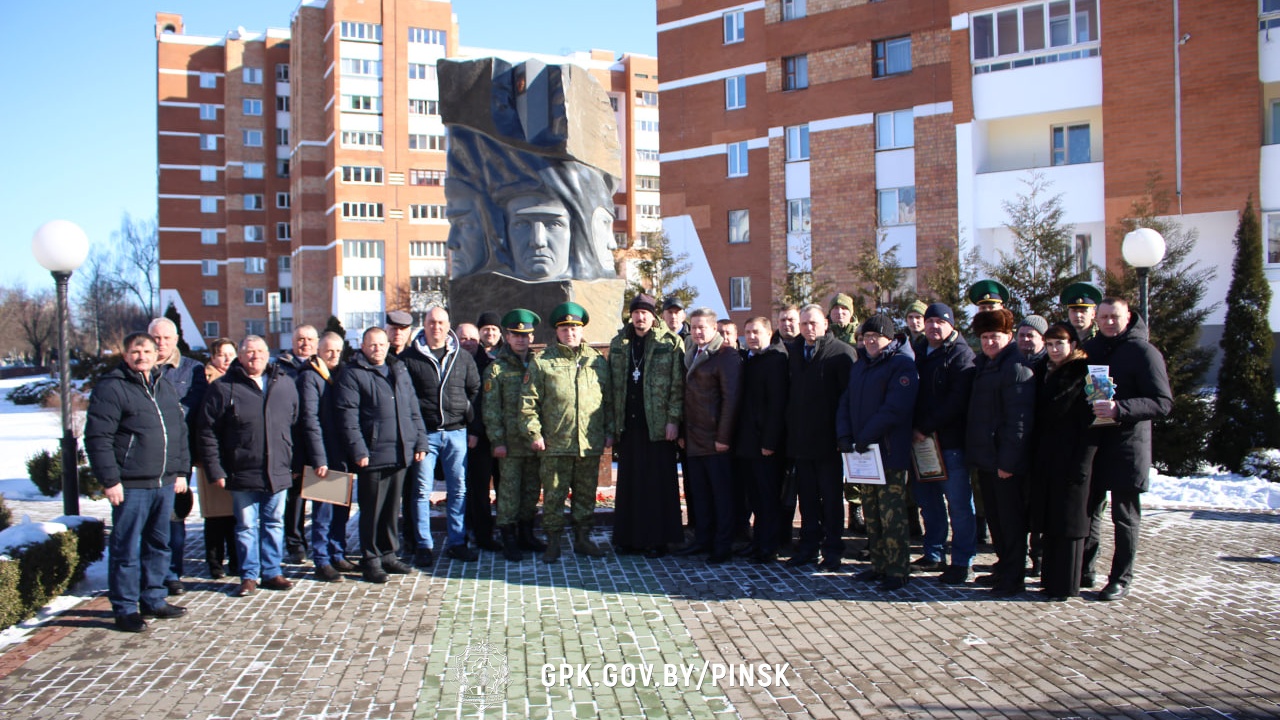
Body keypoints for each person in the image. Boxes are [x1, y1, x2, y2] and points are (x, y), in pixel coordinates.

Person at [85, 332, 191, 632]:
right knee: (126, 547)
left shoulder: (163, 385)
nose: (141, 356)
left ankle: (154, 597)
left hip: (164, 482)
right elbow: (98, 438)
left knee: (159, 543)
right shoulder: (112, 388)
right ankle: (125, 607)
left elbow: (178, 432)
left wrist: (180, 471)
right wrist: (110, 480)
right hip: (131, 485)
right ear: (125, 354)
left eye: (147, 350)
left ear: (157, 354)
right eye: (135, 351)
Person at [1082, 297, 1172, 601]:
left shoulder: (1143, 352)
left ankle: (1121, 578)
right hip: (1095, 443)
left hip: (1128, 446)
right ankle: (1085, 569)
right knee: (1089, 510)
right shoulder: (1092, 349)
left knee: (1124, 517)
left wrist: (1120, 408)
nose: (1108, 322)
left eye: (1114, 317)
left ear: (1128, 317)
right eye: (1103, 317)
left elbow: (1163, 402)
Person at [197, 336, 299, 598]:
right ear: (239, 357)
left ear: (269, 355)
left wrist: (294, 461)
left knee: (274, 523)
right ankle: (248, 576)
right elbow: (207, 432)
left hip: (277, 470)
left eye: (260, 351)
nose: (255, 356)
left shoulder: (285, 384)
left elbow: (296, 423)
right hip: (241, 471)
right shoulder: (222, 388)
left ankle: (272, 571)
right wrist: (215, 470)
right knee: (245, 526)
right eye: (249, 352)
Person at [520, 302, 613, 562]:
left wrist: (609, 431)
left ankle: (583, 539)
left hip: (589, 442)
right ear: (557, 332)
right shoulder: (543, 361)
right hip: (555, 444)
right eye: (564, 329)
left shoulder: (596, 360)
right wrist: (534, 433)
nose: (570, 333)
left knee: (585, 494)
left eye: (574, 328)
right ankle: (553, 542)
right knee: (554, 496)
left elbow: (608, 400)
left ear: (581, 330)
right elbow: (528, 402)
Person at [335, 327, 430, 582]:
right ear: (363, 347)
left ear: (388, 345)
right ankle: (371, 559)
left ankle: (389, 554)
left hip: (400, 451)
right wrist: (358, 450)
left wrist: (419, 442)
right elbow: (348, 417)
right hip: (373, 455)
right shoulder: (353, 373)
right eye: (372, 345)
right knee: (372, 510)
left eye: (381, 344)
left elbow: (413, 409)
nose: (377, 349)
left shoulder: (398, 368)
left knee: (391, 508)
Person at [837, 315, 919, 592]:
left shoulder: (901, 365)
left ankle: (898, 569)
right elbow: (846, 401)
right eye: (867, 336)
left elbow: (895, 408)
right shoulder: (862, 365)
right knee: (871, 511)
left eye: (877, 336)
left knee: (891, 514)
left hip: (888, 452)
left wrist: (865, 435)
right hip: (864, 455)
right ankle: (879, 564)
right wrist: (845, 435)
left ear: (890, 338)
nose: (871, 341)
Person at [400, 307, 481, 563]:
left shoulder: (462, 357)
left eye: (441, 322)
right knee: (422, 491)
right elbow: (406, 400)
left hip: (457, 433)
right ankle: (424, 545)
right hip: (426, 435)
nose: (436, 327)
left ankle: (457, 542)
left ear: (449, 326)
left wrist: (473, 426)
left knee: (458, 490)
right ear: (424, 325)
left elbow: (476, 391)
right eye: (431, 322)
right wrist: (414, 436)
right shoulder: (409, 358)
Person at [965, 308, 1036, 597]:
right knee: (996, 520)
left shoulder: (1015, 367)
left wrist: (1009, 461)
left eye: (995, 336)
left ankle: (1013, 577)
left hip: (1004, 462)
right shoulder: (985, 364)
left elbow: (1019, 419)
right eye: (984, 337)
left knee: (1010, 522)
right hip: (987, 459)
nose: (989, 342)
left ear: (1009, 336)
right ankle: (1003, 567)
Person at [608, 294, 684, 558]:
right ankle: (628, 538)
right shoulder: (619, 343)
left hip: (658, 425)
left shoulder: (670, 343)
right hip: (629, 424)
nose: (640, 318)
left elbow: (678, 385)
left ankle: (658, 539)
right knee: (630, 484)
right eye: (636, 313)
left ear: (654, 316)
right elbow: (611, 386)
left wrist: (673, 419)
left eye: (646, 313)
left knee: (657, 484)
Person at [785, 304, 857, 571]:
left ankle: (833, 550)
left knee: (831, 500)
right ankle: (808, 547)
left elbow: (848, 400)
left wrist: (843, 436)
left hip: (829, 443)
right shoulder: (793, 353)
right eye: (804, 324)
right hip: (801, 441)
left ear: (825, 324)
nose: (808, 329)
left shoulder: (841, 353)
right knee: (807, 500)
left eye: (813, 323)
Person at [910, 303, 978, 585]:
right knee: (928, 503)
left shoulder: (962, 355)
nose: (934, 327)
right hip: (920, 444)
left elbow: (957, 401)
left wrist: (925, 427)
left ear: (951, 324)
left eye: (940, 321)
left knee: (959, 505)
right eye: (930, 321)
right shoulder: (918, 352)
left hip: (949, 443)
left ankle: (962, 560)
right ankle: (934, 552)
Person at [1030, 322, 1096, 601]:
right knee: (1051, 520)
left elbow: (1095, 422)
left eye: (1060, 344)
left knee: (1070, 523)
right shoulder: (1044, 371)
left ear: (1073, 346)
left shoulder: (1086, 373)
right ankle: (1050, 579)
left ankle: (1067, 583)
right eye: (1050, 344)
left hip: (1075, 457)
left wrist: (1083, 462)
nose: (1054, 349)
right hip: (1048, 458)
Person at [675, 307, 741, 564]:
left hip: (715, 441)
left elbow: (731, 399)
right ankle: (703, 540)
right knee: (700, 496)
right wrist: (682, 432)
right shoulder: (692, 353)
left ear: (714, 329)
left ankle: (722, 546)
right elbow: (685, 397)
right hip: (693, 439)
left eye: (703, 327)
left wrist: (723, 437)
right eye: (694, 327)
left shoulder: (726, 356)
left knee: (721, 497)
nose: (698, 332)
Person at [149, 317, 207, 597]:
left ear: (176, 340)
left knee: (174, 518)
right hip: (144, 459)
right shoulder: (140, 368)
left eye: (166, 338)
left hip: (177, 458)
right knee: (148, 521)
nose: (161, 344)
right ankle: (149, 574)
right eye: (156, 338)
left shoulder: (192, 370)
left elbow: (200, 418)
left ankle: (172, 573)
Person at [484, 309, 547, 561]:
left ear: (532, 337)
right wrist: (497, 441)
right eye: (516, 335)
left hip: (533, 442)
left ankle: (526, 535)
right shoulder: (496, 369)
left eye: (526, 335)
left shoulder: (538, 364)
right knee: (509, 493)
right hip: (509, 445)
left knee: (531, 491)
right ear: (507, 337)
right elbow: (491, 409)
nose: (521, 340)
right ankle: (508, 538)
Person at [296, 332, 358, 582]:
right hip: (321, 454)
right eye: (328, 351)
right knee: (322, 512)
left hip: (340, 452)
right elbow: (309, 420)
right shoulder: (310, 377)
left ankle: (337, 552)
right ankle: (321, 559)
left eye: (337, 351)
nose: (333, 355)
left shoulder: (341, 374)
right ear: (319, 351)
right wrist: (319, 458)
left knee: (341, 510)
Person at [733, 316, 789, 562]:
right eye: (748, 332)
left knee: (768, 499)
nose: (751, 336)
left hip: (765, 445)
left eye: (756, 332)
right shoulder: (749, 359)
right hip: (747, 443)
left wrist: (769, 442)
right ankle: (758, 542)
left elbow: (777, 405)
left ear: (769, 333)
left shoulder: (776, 360)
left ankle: (769, 546)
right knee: (754, 498)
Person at [457, 321, 501, 552]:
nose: (468, 343)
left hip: (494, 434)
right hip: (474, 437)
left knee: (503, 486)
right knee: (477, 488)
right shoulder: (453, 362)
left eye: (472, 339)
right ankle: (481, 533)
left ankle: (504, 531)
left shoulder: (492, 363)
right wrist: (473, 430)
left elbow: (487, 400)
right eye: (463, 338)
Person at [279, 324, 320, 565]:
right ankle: (295, 543)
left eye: (310, 339)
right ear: (293, 341)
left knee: (322, 493)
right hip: (293, 441)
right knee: (295, 496)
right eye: (300, 339)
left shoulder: (323, 366)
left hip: (317, 440)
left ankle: (320, 541)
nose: (305, 343)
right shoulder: (281, 367)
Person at [202, 337, 239, 579]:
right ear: (212, 358)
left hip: (236, 457)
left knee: (236, 514)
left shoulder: (239, 379)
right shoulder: (205, 382)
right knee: (215, 516)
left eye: (230, 354)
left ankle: (236, 560)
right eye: (221, 355)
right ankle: (215, 562)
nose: (226, 359)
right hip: (212, 456)